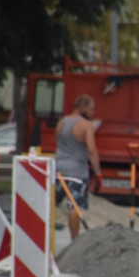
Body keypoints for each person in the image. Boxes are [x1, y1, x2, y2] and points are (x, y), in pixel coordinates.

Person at [54, 94, 103, 239]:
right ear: (83, 107)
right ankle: (74, 241)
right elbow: (92, 150)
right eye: (91, 109)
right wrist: (98, 173)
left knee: (51, 205)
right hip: (77, 173)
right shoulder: (86, 125)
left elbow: (60, 144)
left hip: (58, 170)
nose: (93, 113)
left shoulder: (61, 122)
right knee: (74, 207)